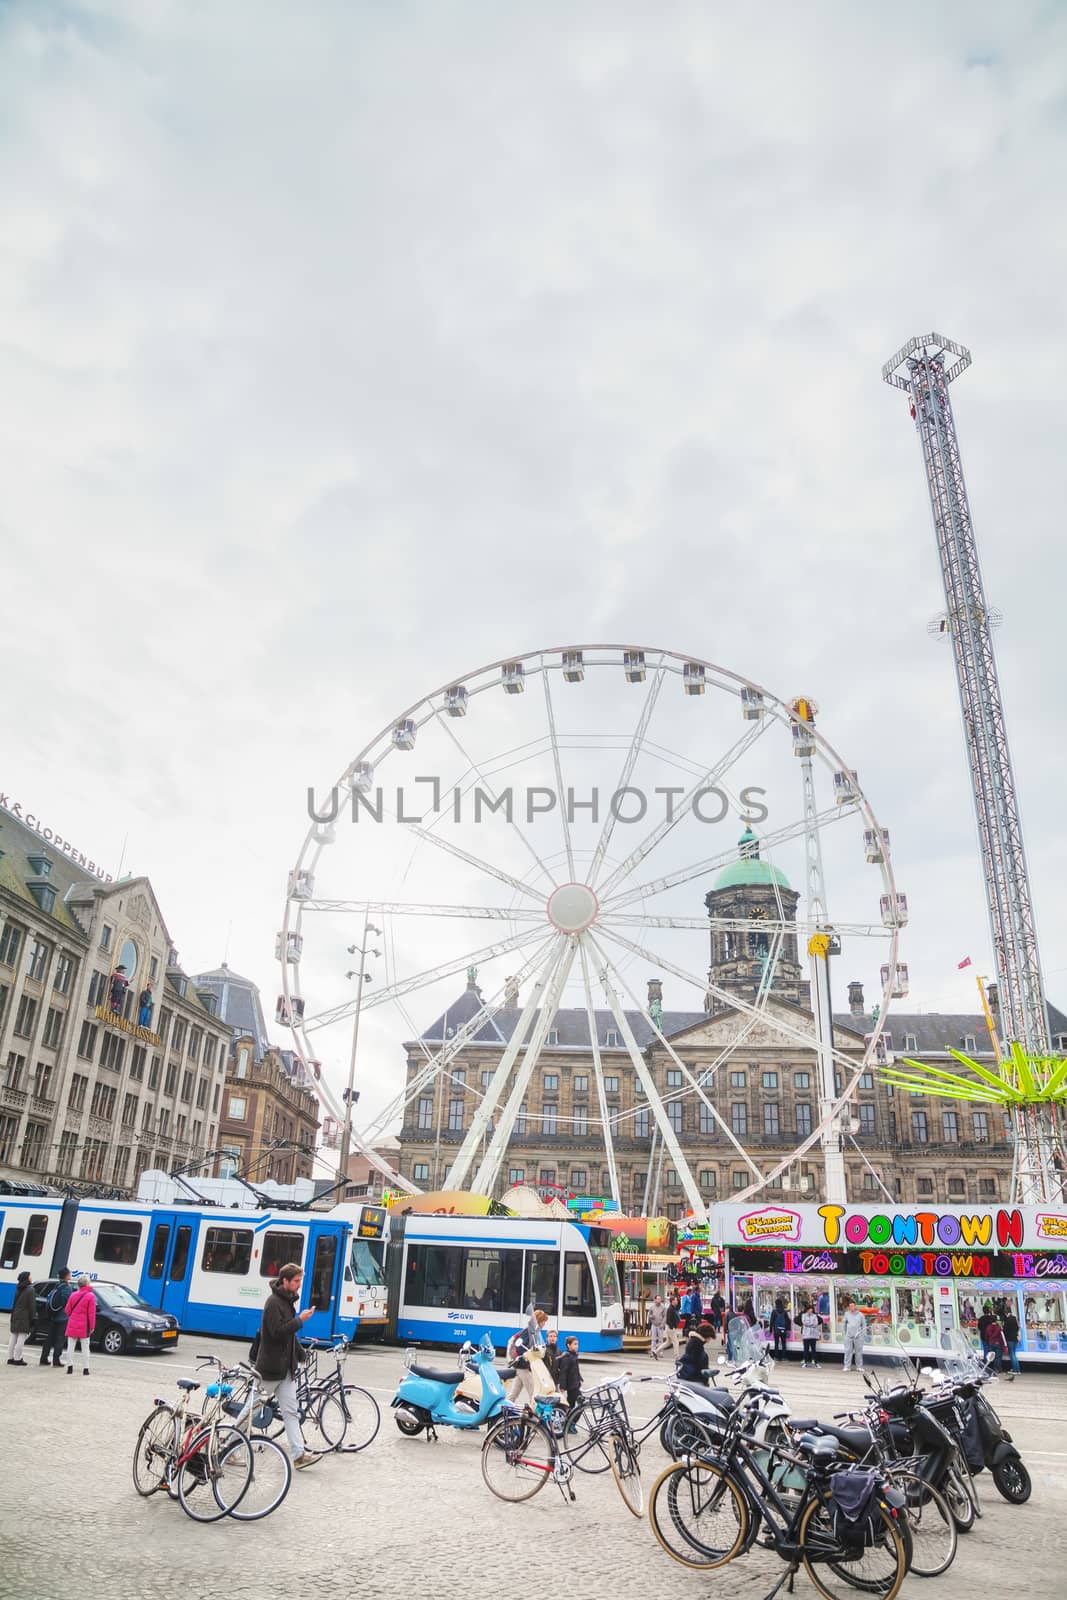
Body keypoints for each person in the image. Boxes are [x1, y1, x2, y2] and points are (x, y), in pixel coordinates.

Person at [254, 1262, 316, 1467]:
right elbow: (276, 1332)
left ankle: (299, 1455)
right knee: (252, 1409)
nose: (299, 1285)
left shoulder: (287, 1302)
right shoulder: (273, 1303)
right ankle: (228, 1443)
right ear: (285, 1281)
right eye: (296, 1281)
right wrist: (300, 1320)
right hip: (271, 1369)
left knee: (291, 1412)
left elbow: (288, 1336)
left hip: (285, 1370)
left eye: (300, 1281)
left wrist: (300, 1354)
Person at [507, 1308, 548, 1408]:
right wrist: (529, 1355)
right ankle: (534, 1416)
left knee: (513, 1393)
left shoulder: (534, 1331)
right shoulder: (529, 1331)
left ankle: (503, 1409)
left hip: (522, 1366)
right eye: (544, 1322)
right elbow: (520, 1346)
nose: (544, 1324)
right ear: (539, 1321)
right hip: (523, 1366)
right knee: (533, 1392)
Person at [63, 1275, 97, 1375]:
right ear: (87, 1284)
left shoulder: (73, 1295)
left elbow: (67, 1310)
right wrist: (92, 1327)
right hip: (84, 1326)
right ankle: (85, 1369)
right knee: (85, 1348)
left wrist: (73, 1317)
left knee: (70, 1347)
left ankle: (69, 1367)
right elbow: (91, 1314)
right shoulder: (90, 1296)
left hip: (72, 1324)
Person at [39, 1268, 72, 1368]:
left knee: (49, 1338)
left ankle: (43, 1358)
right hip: (62, 1316)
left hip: (53, 1315)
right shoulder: (67, 1287)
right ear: (66, 1276)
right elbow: (67, 1301)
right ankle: (56, 1360)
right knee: (60, 1339)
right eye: (69, 1274)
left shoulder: (57, 1285)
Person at [7, 1271, 36, 1365]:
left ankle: (10, 1358)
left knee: (13, 1336)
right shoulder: (30, 1289)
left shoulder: (18, 1287)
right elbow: (32, 1305)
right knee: (21, 1337)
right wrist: (33, 1318)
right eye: (30, 1276)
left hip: (16, 1314)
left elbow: (14, 1303)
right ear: (27, 1278)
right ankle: (17, 1358)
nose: (31, 1277)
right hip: (24, 1316)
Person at [556, 1335, 583, 1412]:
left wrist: (580, 1379)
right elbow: (563, 1372)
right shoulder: (567, 1357)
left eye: (577, 1344)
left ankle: (569, 1421)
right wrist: (562, 1386)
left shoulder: (574, 1355)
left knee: (574, 1405)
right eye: (575, 1344)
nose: (577, 1346)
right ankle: (569, 1422)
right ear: (568, 1345)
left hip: (575, 1384)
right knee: (576, 1405)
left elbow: (576, 1370)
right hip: (571, 1386)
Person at [842, 1298, 867, 1372]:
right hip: (849, 1336)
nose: (851, 1307)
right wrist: (844, 1334)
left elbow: (864, 1325)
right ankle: (847, 1366)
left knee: (858, 1352)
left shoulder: (860, 1315)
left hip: (858, 1336)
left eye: (852, 1306)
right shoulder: (846, 1314)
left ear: (855, 1306)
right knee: (848, 1351)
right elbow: (844, 1325)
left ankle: (859, 1366)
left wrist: (863, 1335)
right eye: (850, 1306)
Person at [800, 1303, 821, 1368]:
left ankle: (816, 1363)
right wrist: (811, 1323)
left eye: (811, 1310)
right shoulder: (803, 1315)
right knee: (806, 1349)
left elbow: (816, 1323)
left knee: (813, 1349)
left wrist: (809, 1323)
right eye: (809, 1310)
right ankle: (805, 1362)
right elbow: (804, 1322)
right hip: (806, 1335)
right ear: (807, 1310)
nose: (810, 1311)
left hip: (813, 1335)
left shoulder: (814, 1316)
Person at [1002, 1308, 1021, 1379]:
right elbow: (1017, 1328)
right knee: (1014, 1354)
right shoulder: (1014, 1318)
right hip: (1015, 1338)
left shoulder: (1006, 1320)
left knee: (1012, 1354)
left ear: (1006, 1313)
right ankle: (1016, 1369)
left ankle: (1016, 1370)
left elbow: (1005, 1330)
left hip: (1010, 1339)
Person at [648, 1295, 667, 1361]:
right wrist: (651, 1317)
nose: (659, 1300)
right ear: (655, 1300)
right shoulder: (652, 1307)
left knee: (660, 1339)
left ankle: (660, 1352)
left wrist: (662, 1324)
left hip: (660, 1325)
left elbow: (665, 1317)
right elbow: (649, 1315)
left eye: (660, 1299)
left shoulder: (663, 1308)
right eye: (658, 1299)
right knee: (653, 1339)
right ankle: (652, 1351)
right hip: (653, 1325)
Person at [665, 1292, 682, 1359]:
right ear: (672, 1301)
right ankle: (677, 1357)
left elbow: (679, 1306)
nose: (676, 1301)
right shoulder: (670, 1309)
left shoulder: (674, 1308)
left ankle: (655, 1351)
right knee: (676, 1342)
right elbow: (668, 1320)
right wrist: (672, 1327)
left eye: (677, 1300)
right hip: (670, 1328)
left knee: (668, 1343)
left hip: (671, 1327)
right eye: (675, 1300)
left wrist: (679, 1299)